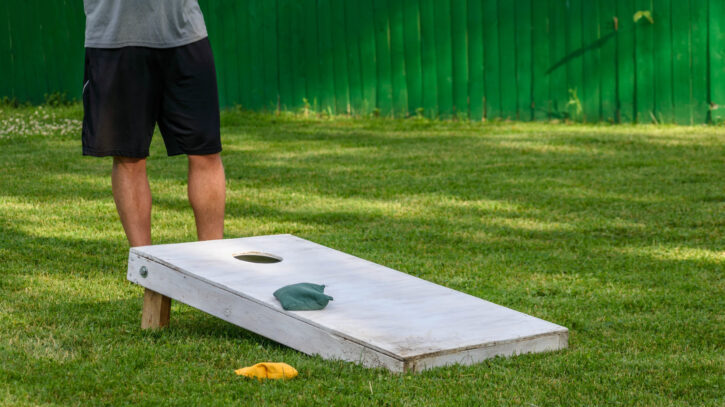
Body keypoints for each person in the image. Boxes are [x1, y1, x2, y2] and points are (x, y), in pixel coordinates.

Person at [81, 0, 226, 328]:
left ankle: (216, 272)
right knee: (129, 157)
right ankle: (149, 273)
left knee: (205, 151)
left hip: (184, 33)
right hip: (114, 37)